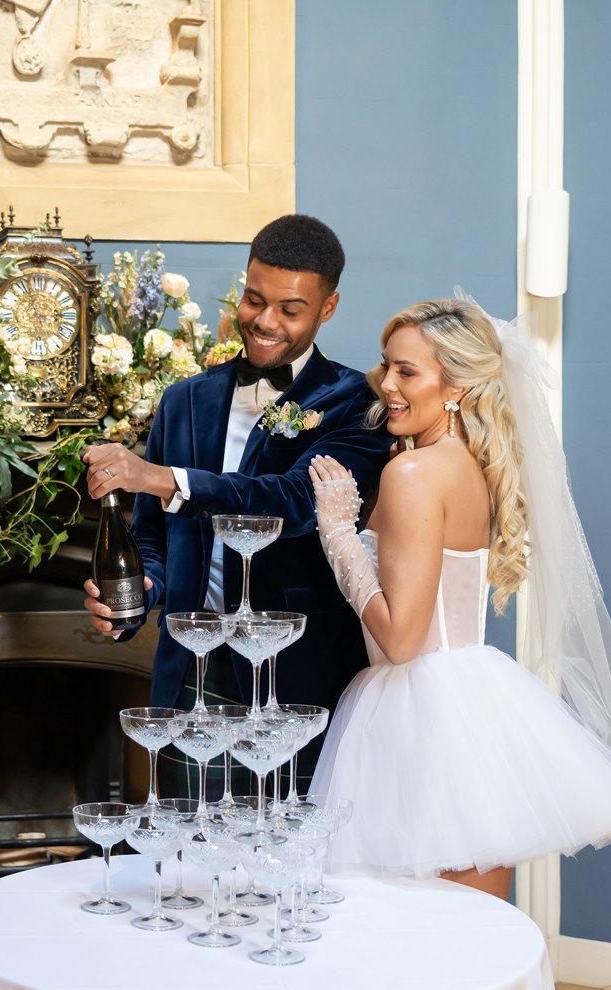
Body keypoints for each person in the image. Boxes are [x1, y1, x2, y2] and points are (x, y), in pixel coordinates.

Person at [308, 296, 611, 900]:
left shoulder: (413, 473)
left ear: (454, 385)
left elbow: (401, 641)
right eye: (387, 366)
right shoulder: (468, 465)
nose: (386, 385)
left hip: (418, 714)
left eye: (408, 371)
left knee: (416, 937)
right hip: (471, 705)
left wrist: (338, 535)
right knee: (474, 933)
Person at [83, 214, 393, 797]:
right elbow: (153, 535)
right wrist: (144, 587)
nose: (265, 321)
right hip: (193, 674)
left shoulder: (356, 403)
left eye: (290, 309)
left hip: (298, 680)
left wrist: (161, 476)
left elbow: (296, 501)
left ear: (327, 308)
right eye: (254, 299)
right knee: (189, 866)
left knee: (286, 865)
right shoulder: (184, 400)